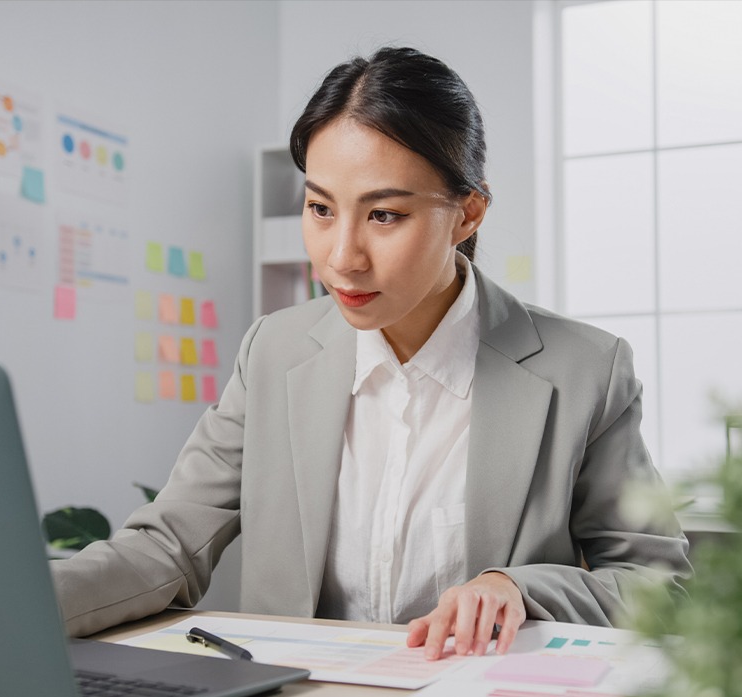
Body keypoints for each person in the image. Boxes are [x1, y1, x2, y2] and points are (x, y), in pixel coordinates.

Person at [50, 46, 691, 660]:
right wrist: (12, 606)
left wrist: (517, 589)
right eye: (320, 208)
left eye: (383, 215)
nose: (341, 257)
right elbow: (166, 547)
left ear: (468, 213)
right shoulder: (272, 352)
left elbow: (657, 583)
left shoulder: (586, 370)